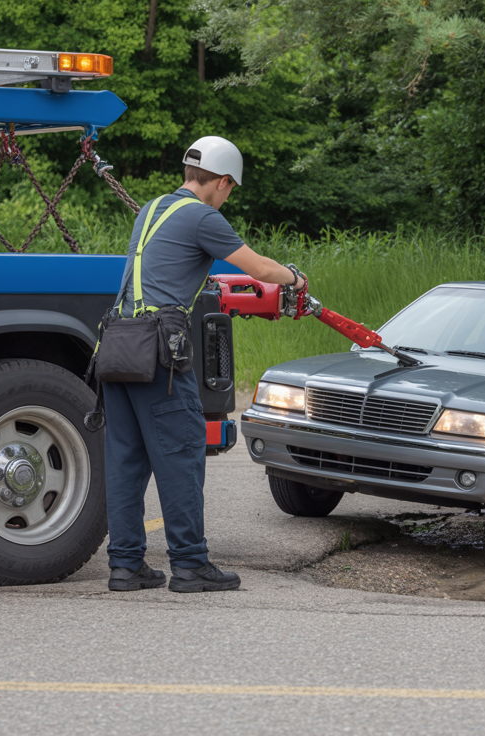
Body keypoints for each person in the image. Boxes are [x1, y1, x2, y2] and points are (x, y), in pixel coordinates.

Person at [104, 136, 309, 593]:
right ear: (220, 181)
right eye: (229, 187)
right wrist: (294, 277)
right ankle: (191, 564)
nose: (227, 195)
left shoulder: (153, 209)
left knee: (125, 460)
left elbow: (166, 268)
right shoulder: (202, 216)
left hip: (119, 344)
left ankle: (125, 565)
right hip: (159, 352)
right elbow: (258, 268)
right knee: (180, 456)